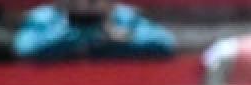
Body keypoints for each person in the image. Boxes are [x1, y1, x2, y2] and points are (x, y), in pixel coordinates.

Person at [14, 0, 176, 60]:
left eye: (92, 1)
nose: (84, 5)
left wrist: (126, 38)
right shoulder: (44, 18)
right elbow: (24, 48)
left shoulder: (126, 17)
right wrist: (68, 35)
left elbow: (165, 42)